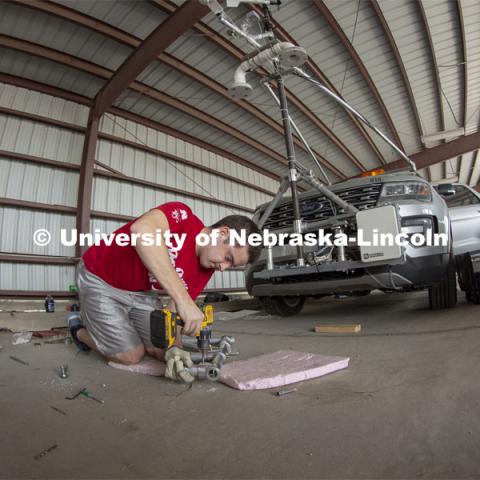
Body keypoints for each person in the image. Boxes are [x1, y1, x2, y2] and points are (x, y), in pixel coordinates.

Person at [69, 201, 261, 382]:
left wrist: (175, 348)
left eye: (231, 265)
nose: (223, 268)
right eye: (228, 257)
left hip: (140, 292)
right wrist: (184, 300)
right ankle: (78, 329)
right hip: (100, 278)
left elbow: (173, 312)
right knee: (130, 355)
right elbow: (141, 231)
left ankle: (114, 325)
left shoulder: (207, 268)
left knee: (161, 349)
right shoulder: (183, 216)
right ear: (222, 233)